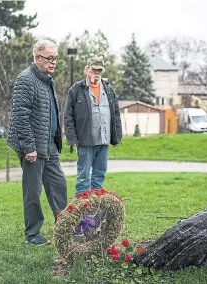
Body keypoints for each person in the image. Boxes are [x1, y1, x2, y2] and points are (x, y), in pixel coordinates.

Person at [7, 39, 67, 246]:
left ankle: (66, 226)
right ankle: (33, 235)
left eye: (55, 58)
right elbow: (20, 116)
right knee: (33, 191)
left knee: (59, 184)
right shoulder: (26, 79)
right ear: (37, 57)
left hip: (48, 143)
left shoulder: (47, 80)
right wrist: (29, 147)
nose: (53, 62)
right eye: (49, 58)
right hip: (31, 145)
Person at [64, 56, 122, 195]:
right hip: (85, 140)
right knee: (83, 177)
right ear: (87, 70)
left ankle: (95, 207)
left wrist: (117, 136)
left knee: (99, 175)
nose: (96, 73)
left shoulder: (108, 89)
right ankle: (81, 208)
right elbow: (68, 116)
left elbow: (115, 114)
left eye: (99, 71)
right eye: (93, 70)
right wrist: (72, 138)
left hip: (104, 139)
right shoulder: (76, 89)